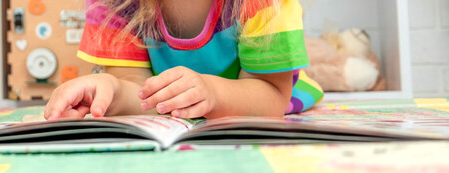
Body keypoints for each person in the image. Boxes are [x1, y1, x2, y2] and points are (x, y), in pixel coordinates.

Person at [44, 0, 324, 121]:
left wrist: (213, 92)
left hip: (262, 86)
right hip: (173, 101)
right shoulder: (116, 4)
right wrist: (110, 91)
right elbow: (137, 90)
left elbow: (272, 94)